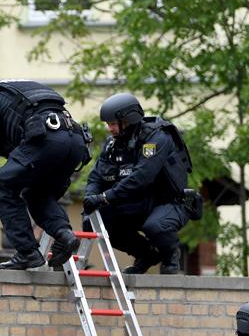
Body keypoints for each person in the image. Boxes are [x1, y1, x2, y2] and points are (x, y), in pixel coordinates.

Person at [0, 79, 91, 270]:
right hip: (75, 143)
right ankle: (65, 235)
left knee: (3, 189)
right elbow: (21, 142)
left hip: (46, 140)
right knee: (37, 194)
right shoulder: (18, 97)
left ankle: (27, 253)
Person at [82, 93, 195, 274]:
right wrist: (90, 198)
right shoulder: (113, 144)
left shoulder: (156, 138)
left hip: (169, 202)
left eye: (112, 124)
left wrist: (105, 197)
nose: (109, 128)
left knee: (155, 226)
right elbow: (96, 177)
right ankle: (145, 254)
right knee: (93, 221)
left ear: (127, 120)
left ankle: (170, 257)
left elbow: (142, 177)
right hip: (137, 203)